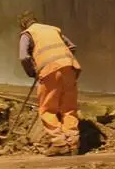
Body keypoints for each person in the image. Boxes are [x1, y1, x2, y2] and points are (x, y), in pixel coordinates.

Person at [18, 11, 81, 156]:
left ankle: (59, 143)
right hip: (70, 68)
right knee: (69, 108)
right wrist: (63, 61)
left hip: (50, 71)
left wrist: (32, 72)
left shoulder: (27, 34)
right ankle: (73, 143)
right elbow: (72, 47)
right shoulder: (52, 29)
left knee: (48, 108)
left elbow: (23, 57)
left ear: (22, 25)